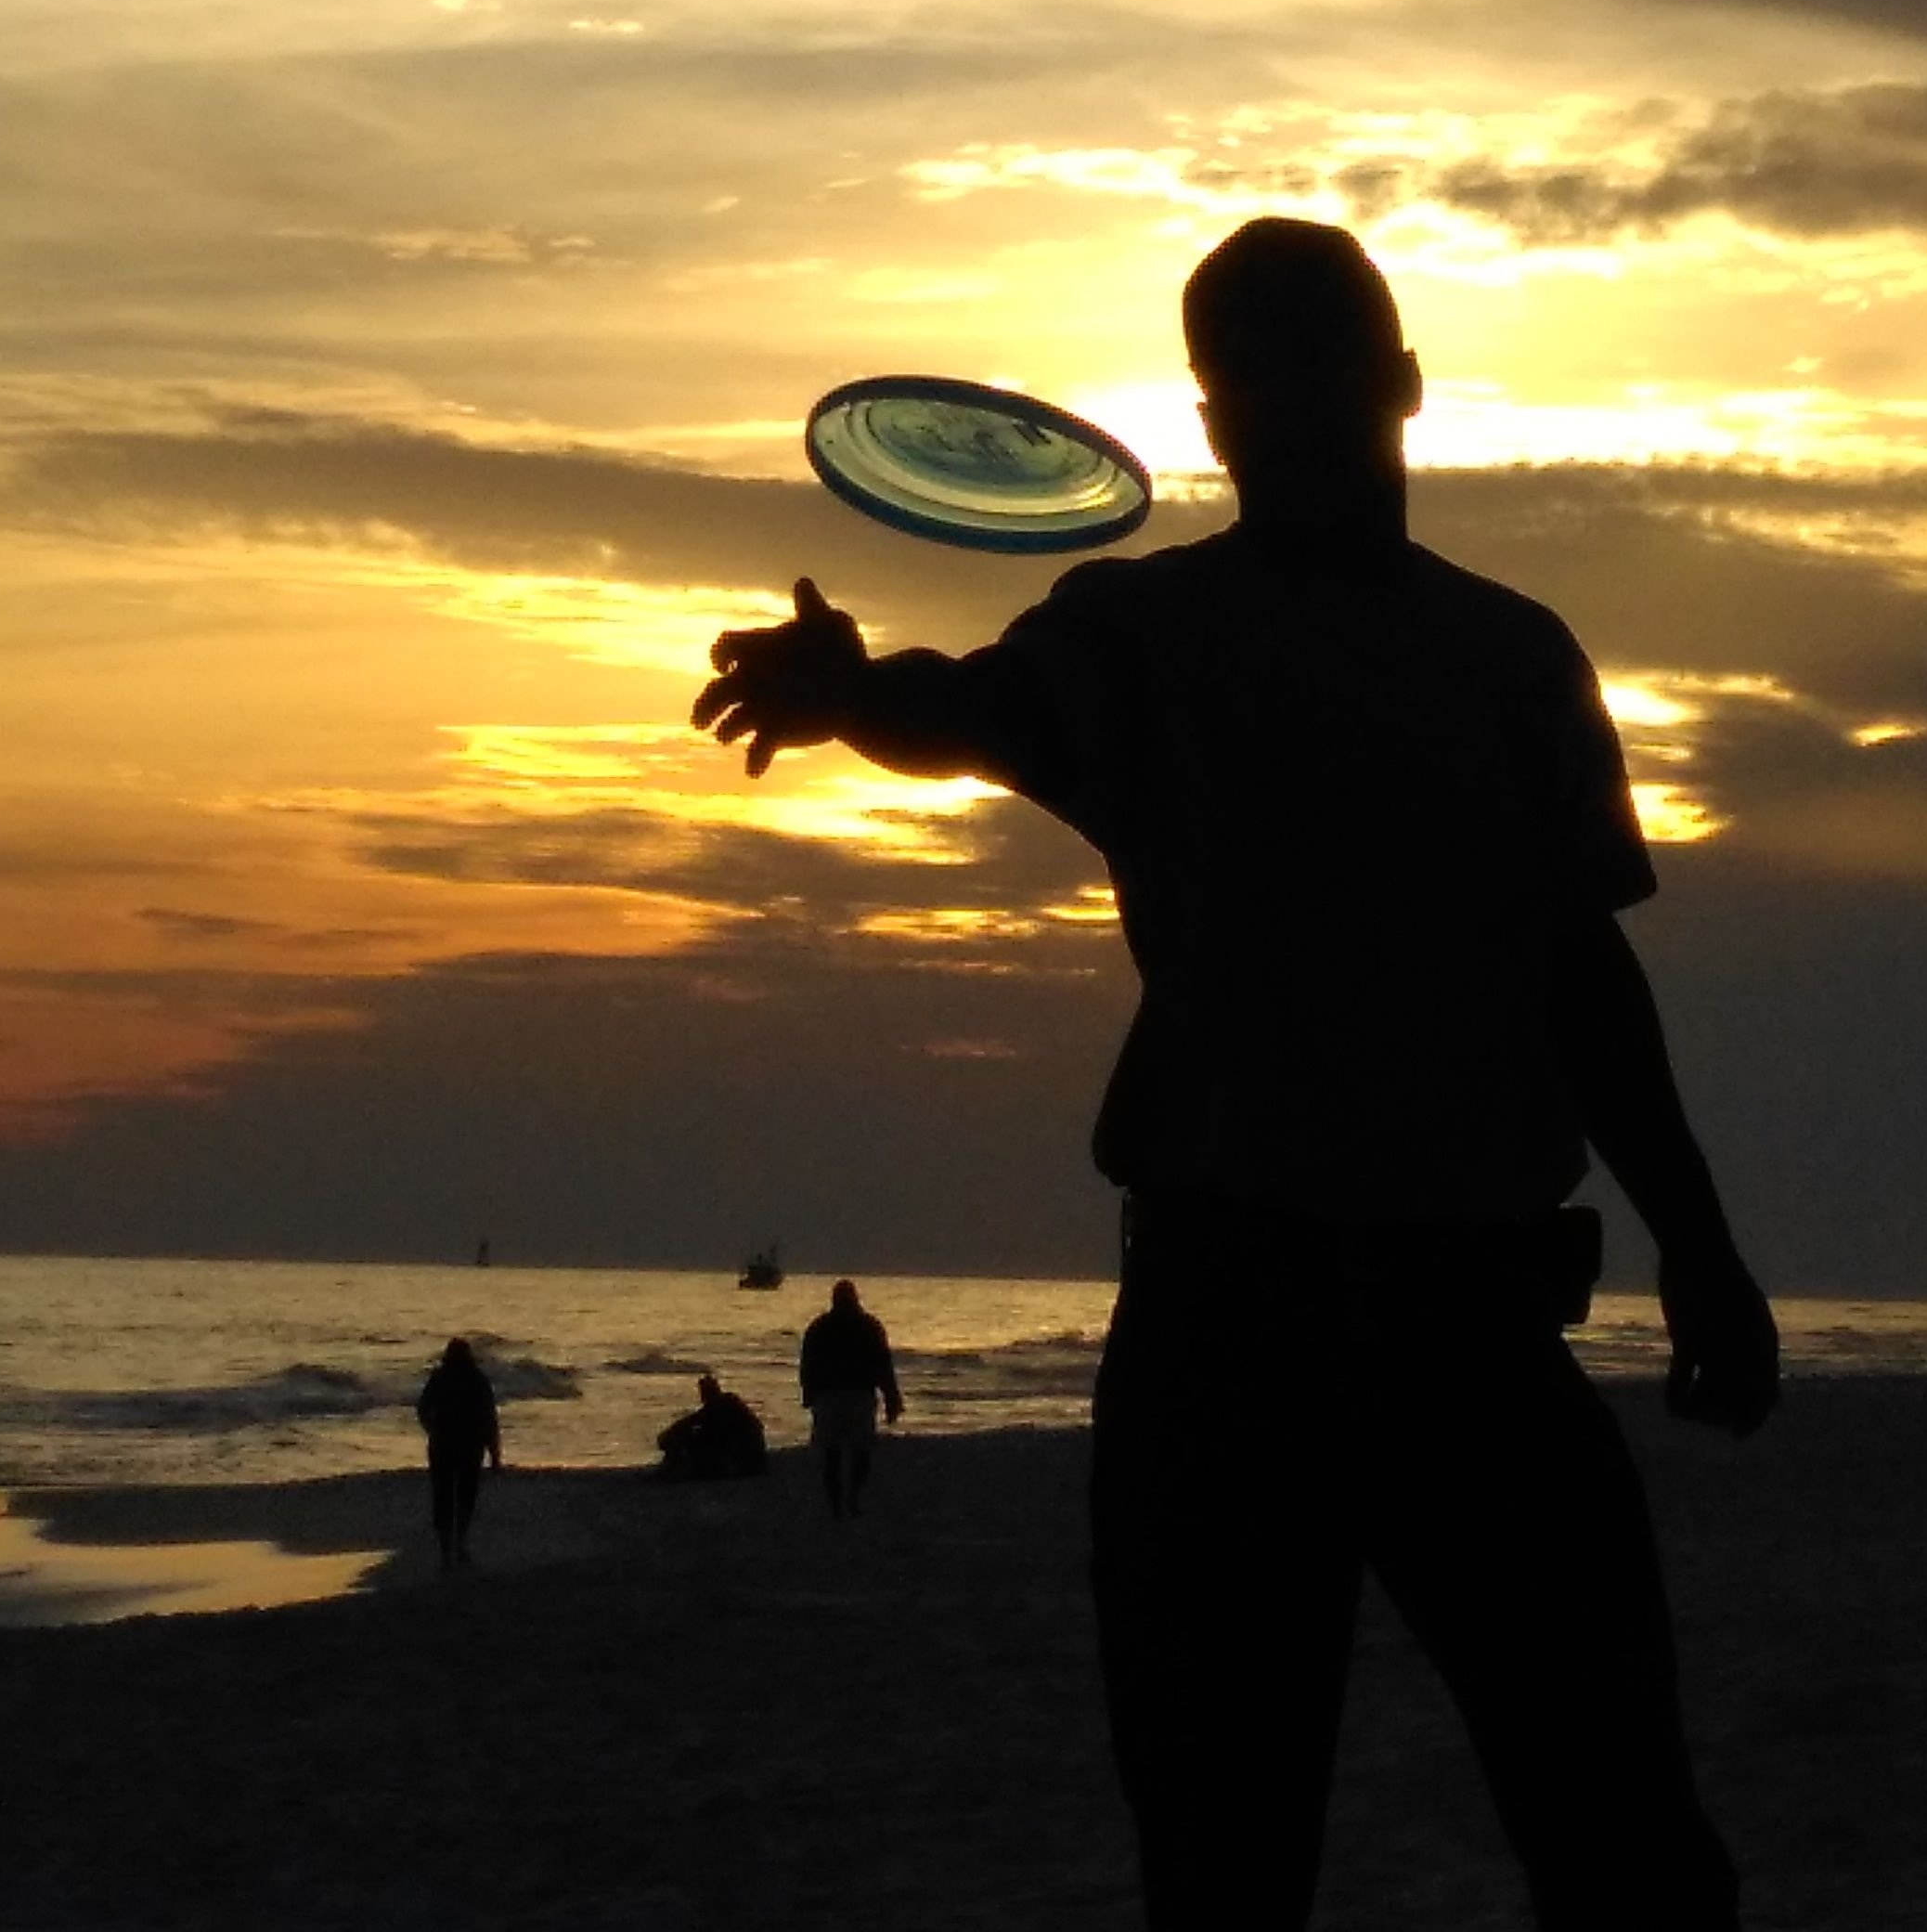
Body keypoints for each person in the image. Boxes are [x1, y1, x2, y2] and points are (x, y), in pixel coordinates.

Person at [692, 217, 1779, 1929]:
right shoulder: (1151, 631)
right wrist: (855, 693)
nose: (1280, 407)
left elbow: (1585, 976)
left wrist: (1699, 1246)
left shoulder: (1510, 659)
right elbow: (969, 710)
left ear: (1401, 384)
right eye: (1248, 378)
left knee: (1617, 1844)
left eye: (1308, 366)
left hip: (1440, 1335)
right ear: (1213, 419)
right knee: (1259, 1868)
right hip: (1243, 1331)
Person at [797, 1279, 902, 1520]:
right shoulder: (869, 1326)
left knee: (832, 1454)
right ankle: (851, 1499)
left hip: (830, 1397)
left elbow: (808, 1365)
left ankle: (838, 1504)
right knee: (859, 1452)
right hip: (858, 1396)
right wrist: (891, 1397)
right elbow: (883, 1365)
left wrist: (809, 1393)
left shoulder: (820, 1326)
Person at [417, 1338, 502, 1564]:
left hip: (442, 1444)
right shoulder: (477, 1379)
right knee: (466, 1496)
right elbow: (490, 1418)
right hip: (470, 1445)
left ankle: (446, 1550)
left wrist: (431, 1428)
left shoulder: (439, 1377)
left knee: (442, 1497)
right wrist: (495, 1453)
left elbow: (422, 1409)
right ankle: (460, 1544)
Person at [657, 1372, 770, 1481]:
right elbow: (694, 1420)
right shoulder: (726, 1404)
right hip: (752, 1460)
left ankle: (674, 1469)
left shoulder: (723, 1406)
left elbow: (710, 1432)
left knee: (697, 1444)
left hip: (743, 1463)